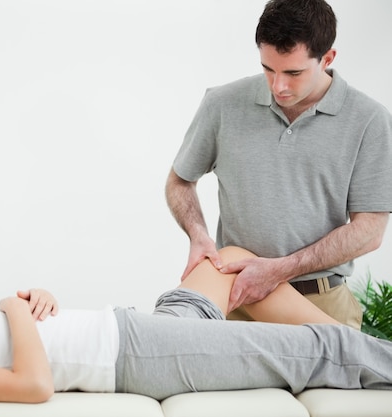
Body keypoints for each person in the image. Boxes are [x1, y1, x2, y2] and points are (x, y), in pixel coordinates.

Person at [0, 246, 392, 403]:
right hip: (137, 354)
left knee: (228, 263)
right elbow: (33, 386)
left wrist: (36, 302)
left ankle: (351, 348)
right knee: (319, 347)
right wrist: (14, 307)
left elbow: (29, 349)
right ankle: (349, 350)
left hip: (131, 329)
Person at [165, 0, 392, 329]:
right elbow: (180, 180)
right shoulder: (222, 104)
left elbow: (370, 230)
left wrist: (280, 269)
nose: (278, 86)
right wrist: (198, 234)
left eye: (293, 72)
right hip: (238, 301)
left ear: (327, 58)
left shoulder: (370, 121)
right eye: (268, 69)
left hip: (323, 304)